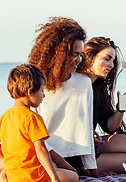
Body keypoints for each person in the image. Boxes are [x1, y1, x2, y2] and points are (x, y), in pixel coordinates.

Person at [27, 17, 98, 177]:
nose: (79, 60)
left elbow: (86, 129)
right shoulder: (38, 86)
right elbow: (32, 136)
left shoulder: (84, 83)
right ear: (57, 55)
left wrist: (93, 171)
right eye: (74, 55)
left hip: (74, 158)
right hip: (45, 155)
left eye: (81, 55)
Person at [0, 64, 79, 182]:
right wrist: (54, 178)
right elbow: (41, 151)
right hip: (33, 177)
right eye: (42, 90)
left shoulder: (5, 116)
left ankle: (2, 179)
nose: (43, 96)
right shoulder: (32, 117)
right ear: (30, 92)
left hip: (14, 174)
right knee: (74, 176)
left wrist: (9, 161)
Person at [77, 37, 126, 175]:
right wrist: (86, 134)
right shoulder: (74, 85)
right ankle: (83, 170)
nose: (112, 65)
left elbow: (110, 127)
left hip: (92, 144)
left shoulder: (98, 88)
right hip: (76, 148)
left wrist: (121, 108)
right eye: (107, 59)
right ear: (90, 57)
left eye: (113, 61)